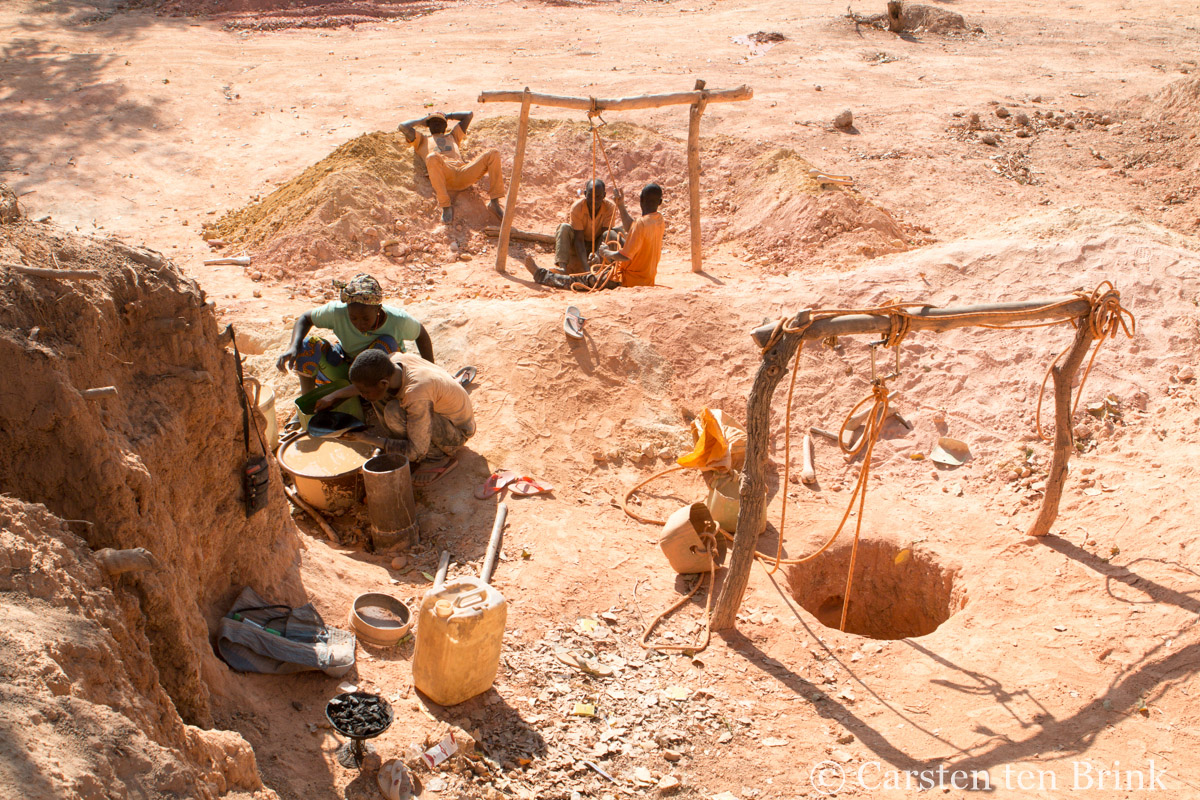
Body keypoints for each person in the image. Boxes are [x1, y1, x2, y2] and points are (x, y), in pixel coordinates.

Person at [316, 349, 475, 487]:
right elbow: (366, 385)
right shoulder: (392, 362)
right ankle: (398, 443)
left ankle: (436, 458)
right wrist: (333, 396)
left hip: (456, 434)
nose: (362, 395)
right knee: (377, 397)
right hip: (436, 409)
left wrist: (367, 438)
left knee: (393, 412)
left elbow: (415, 452)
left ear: (383, 383)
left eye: (364, 392)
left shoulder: (416, 394)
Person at [276, 273, 432, 393]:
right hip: (350, 367)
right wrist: (293, 346)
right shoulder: (338, 312)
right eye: (353, 318)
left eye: (365, 318)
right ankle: (308, 400)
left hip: (382, 376)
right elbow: (305, 318)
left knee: (387, 343)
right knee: (307, 344)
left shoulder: (398, 320)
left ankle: (367, 396)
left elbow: (421, 334)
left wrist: (431, 370)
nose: (359, 324)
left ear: (378, 309)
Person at [524, 183, 665, 291]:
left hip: (628, 280)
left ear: (641, 199)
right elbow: (632, 228)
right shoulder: (659, 220)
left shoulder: (640, 224)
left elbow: (625, 256)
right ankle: (562, 267)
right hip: (646, 279)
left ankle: (541, 275)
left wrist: (606, 253)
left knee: (584, 280)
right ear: (660, 202)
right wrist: (621, 205)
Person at [398, 110, 505, 224]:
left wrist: (447, 116)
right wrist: (423, 120)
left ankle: (494, 202)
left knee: (493, 153)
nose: (437, 124)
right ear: (428, 126)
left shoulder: (453, 136)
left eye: (441, 122)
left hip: (463, 173)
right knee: (432, 157)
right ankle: (445, 205)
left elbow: (468, 115)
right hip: (445, 175)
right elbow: (403, 126)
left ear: (446, 126)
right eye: (433, 122)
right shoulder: (422, 140)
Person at [553, 179, 633, 274]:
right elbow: (579, 240)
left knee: (612, 233)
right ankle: (562, 267)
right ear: (585, 194)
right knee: (563, 227)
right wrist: (587, 269)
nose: (594, 201)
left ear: (604, 195)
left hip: (598, 244)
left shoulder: (609, 207)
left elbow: (605, 235)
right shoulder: (577, 207)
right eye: (590, 196)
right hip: (579, 244)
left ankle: (613, 266)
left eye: (598, 197)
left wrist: (597, 254)